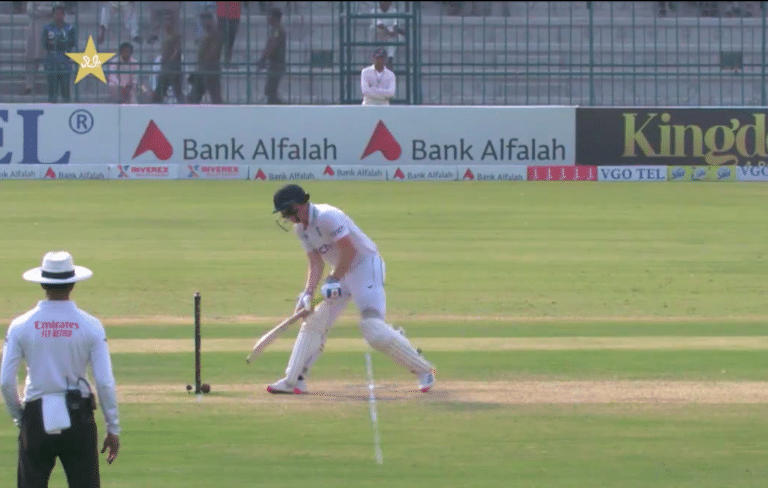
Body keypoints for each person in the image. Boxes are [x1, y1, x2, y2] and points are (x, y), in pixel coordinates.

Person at [267, 184, 436, 394]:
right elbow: (316, 262)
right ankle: (293, 381)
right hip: (340, 273)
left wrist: (333, 280)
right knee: (313, 322)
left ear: (302, 204)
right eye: (284, 214)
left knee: (372, 328)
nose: (288, 218)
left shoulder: (327, 216)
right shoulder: (301, 229)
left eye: (289, 211)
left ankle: (423, 369)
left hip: (365, 265)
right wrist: (308, 293)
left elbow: (350, 250)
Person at [1, 251, 120, 488]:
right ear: (73, 283)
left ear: (43, 283)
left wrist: (20, 418)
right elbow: (104, 382)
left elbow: (5, 381)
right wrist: (112, 427)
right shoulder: (91, 325)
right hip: (78, 416)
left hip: (36, 413)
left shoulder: (21, 325)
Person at [42, 3, 76, 103]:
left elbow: (71, 42)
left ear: (64, 15)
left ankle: (67, 107)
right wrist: (60, 42)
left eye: (61, 13)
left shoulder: (69, 28)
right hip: (51, 58)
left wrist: (58, 43)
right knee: (52, 87)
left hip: (64, 57)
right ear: (53, 15)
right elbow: (45, 43)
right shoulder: (47, 28)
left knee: (65, 87)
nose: (59, 16)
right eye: (57, 13)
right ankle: (52, 106)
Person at [189, 12, 223, 104]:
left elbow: (213, 53)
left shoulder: (215, 34)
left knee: (215, 97)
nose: (203, 24)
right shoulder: (206, 36)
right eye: (202, 21)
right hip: (202, 70)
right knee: (193, 98)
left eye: (205, 21)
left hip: (211, 70)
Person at [151, 11, 185, 104]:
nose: (167, 22)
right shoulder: (164, 34)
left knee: (177, 92)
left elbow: (177, 50)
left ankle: (185, 108)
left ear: (172, 22)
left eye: (169, 20)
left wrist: (170, 60)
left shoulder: (176, 35)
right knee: (160, 92)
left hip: (172, 68)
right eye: (165, 20)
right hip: (165, 68)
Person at [21, 2, 53, 95]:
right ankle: (29, 85)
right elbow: (29, 10)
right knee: (30, 57)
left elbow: (56, 9)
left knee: (50, 58)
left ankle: (52, 86)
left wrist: (39, 9)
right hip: (35, 29)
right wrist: (45, 11)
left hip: (49, 29)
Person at [256, 7, 286, 104]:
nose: (267, 18)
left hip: (276, 64)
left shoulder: (277, 30)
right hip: (275, 64)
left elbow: (273, 44)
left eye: (269, 15)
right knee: (270, 90)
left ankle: (278, 108)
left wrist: (263, 58)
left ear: (275, 17)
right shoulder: (276, 29)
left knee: (270, 90)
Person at [370, 1, 405, 70]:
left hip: (390, 34)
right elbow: (378, 24)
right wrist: (387, 30)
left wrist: (394, 31)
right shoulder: (374, 11)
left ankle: (390, 59)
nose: (385, 3)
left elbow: (396, 23)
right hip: (378, 34)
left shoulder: (394, 11)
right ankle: (378, 60)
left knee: (394, 38)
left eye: (387, 2)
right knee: (373, 28)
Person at [216, 1, 242, 68]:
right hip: (224, 13)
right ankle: (218, 62)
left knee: (230, 42)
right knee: (220, 41)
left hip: (233, 13)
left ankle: (226, 62)